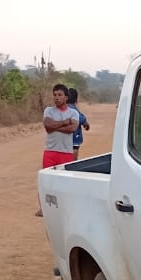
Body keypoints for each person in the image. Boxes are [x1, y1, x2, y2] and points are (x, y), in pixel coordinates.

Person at [38, 84, 81, 215]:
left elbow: (72, 129)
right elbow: (47, 126)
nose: (56, 98)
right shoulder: (49, 110)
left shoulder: (73, 113)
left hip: (66, 152)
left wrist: (54, 127)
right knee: (46, 181)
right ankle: (43, 207)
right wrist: (64, 122)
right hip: (50, 151)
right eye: (55, 95)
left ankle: (64, 207)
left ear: (66, 97)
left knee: (65, 182)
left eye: (60, 95)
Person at [68, 88, 91, 160]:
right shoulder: (73, 109)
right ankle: (73, 162)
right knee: (74, 147)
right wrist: (86, 124)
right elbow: (81, 118)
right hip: (73, 138)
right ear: (76, 100)